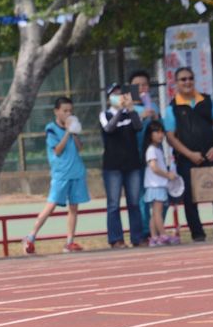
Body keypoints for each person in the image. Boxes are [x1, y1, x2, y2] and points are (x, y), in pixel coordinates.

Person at [163, 66, 213, 242]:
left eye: (190, 78)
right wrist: (189, 154)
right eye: (183, 79)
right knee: (190, 199)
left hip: (211, 156)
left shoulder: (206, 100)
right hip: (187, 160)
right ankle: (197, 234)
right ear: (176, 83)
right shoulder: (172, 108)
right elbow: (170, 136)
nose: (187, 82)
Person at [22, 96, 88, 254]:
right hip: (61, 173)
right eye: (65, 111)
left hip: (76, 172)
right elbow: (57, 150)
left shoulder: (73, 127)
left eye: (70, 111)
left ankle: (69, 242)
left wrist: (74, 133)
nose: (68, 114)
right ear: (56, 111)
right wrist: (67, 132)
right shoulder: (51, 128)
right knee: (51, 205)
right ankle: (30, 236)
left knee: (74, 207)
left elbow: (80, 148)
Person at [99, 83, 145, 248]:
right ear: (109, 99)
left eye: (121, 94)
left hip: (132, 164)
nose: (119, 97)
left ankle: (137, 238)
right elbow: (109, 129)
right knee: (113, 204)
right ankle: (116, 239)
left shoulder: (132, 114)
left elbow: (138, 126)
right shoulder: (105, 114)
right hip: (112, 166)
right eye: (115, 95)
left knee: (134, 203)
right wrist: (119, 110)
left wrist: (130, 109)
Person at [129, 69, 160, 230]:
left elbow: (161, 132)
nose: (141, 88)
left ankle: (156, 227)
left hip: (153, 157)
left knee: (159, 195)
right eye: (137, 85)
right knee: (140, 196)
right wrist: (140, 117)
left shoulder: (153, 106)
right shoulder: (126, 108)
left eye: (145, 85)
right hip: (135, 157)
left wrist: (156, 118)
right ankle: (144, 230)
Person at [142, 121, 180, 246]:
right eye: (156, 132)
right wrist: (167, 175)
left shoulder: (157, 149)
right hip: (156, 185)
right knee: (158, 212)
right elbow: (154, 167)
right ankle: (162, 235)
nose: (160, 135)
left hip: (157, 185)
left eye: (161, 132)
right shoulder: (151, 150)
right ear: (150, 134)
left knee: (155, 213)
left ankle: (154, 237)